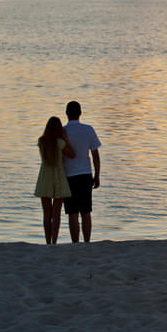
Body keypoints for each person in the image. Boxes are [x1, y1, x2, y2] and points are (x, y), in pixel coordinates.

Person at [62, 100, 102, 243]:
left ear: (66, 114)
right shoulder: (88, 129)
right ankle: (87, 241)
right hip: (85, 174)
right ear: (80, 113)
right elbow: (95, 155)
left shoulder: (63, 131)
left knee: (72, 212)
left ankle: (75, 243)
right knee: (86, 211)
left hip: (69, 176)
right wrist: (97, 175)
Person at [34, 116, 75, 244]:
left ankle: (47, 241)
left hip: (45, 176)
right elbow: (72, 155)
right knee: (56, 213)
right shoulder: (60, 142)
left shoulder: (42, 141)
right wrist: (66, 140)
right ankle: (54, 241)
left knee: (46, 213)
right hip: (58, 176)